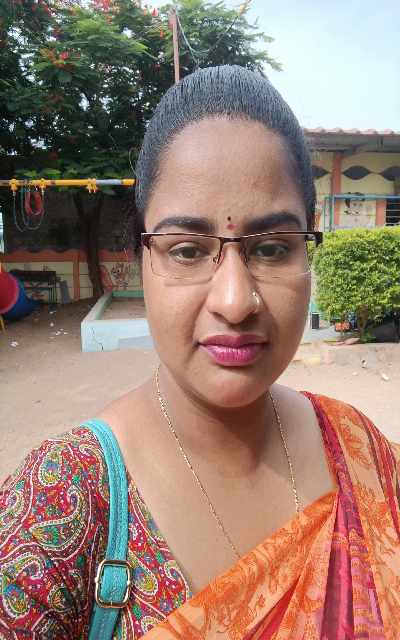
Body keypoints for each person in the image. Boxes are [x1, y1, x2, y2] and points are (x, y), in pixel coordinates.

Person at [1, 65, 399, 639]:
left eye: (271, 248)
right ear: (141, 257)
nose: (235, 302)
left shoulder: (362, 454)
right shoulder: (59, 506)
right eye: (187, 250)